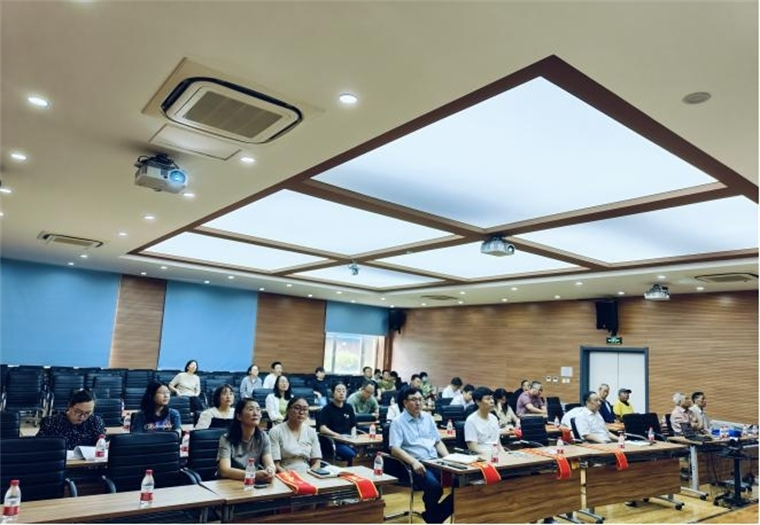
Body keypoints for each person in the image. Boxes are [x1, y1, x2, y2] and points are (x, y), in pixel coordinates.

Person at [389, 387, 453, 524]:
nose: (418, 403)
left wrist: (448, 458)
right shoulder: (397, 422)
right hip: (415, 464)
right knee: (435, 488)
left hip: (435, 461)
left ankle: (433, 517)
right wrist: (413, 462)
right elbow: (394, 449)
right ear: (405, 402)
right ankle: (434, 517)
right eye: (413, 400)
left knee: (462, 484)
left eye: (420, 399)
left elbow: (437, 441)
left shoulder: (428, 418)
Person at [217, 398, 276, 482]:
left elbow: (269, 463)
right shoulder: (226, 439)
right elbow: (224, 470)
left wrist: (270, 470)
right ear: (239, 416)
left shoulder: (264, 437)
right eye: (250, 409)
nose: (256, 413)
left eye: (258, 410)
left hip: (253, 482)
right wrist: (253, 475)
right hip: (230, 481)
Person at [37, 388, 106, 449]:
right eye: (78, 412)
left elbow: (101, 444)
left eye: (87, 413)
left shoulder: (95, 422)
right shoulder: (52, 423)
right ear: (69, 406)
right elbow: (38, 445)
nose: (82, 416)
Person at [269, 397, 322, 472]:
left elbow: (317, 462)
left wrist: (310, 474)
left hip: (308, 472)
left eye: (305, 409)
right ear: (288, 410)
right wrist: (290, 476)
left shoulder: (311, 432)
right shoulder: (276, 431)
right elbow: (275, 465)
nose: (301, 412)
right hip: (284, 472)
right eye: (297, 408)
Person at [317, 383, 357, 465]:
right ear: (332, 393)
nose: (341, 393)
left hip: (349, 440)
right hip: (335, 441)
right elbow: (322, 428)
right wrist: (337, 435)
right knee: (352, 454)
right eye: (338, 391)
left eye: (344, 391)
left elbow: (353, 425)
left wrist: (353, 436)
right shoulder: (327, 409)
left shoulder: (349, 407)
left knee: (366, 453)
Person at [464, 387, 501, 455]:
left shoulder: (494, 418)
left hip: (496, 454)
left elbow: (498, 444)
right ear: (478, 402)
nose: (492, 401)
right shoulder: (471, 421)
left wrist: (505, 455)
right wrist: (490, 455)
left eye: (492, 398)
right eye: (488, 399)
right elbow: (473, 447)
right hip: (481, 456)